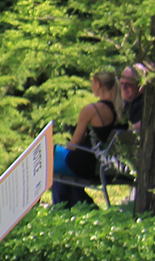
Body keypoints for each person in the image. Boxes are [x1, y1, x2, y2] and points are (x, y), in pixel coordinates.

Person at [51, 68, 121, 207]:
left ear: (98, 85)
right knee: (61, 173)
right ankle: (79, 205)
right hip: (103, 165)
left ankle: (61, 208)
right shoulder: (119, 109)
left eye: (92, 82)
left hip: (85, 163)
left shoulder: (91, 110)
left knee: (49, 154)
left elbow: (73, 144)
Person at [121, 63, 150, 131]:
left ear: (141, 86)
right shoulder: (123, 103)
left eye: (128, 84)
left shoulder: (148, 105)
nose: (123, 87)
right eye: (122, 83)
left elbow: (147, 124)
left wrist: (128, 129)